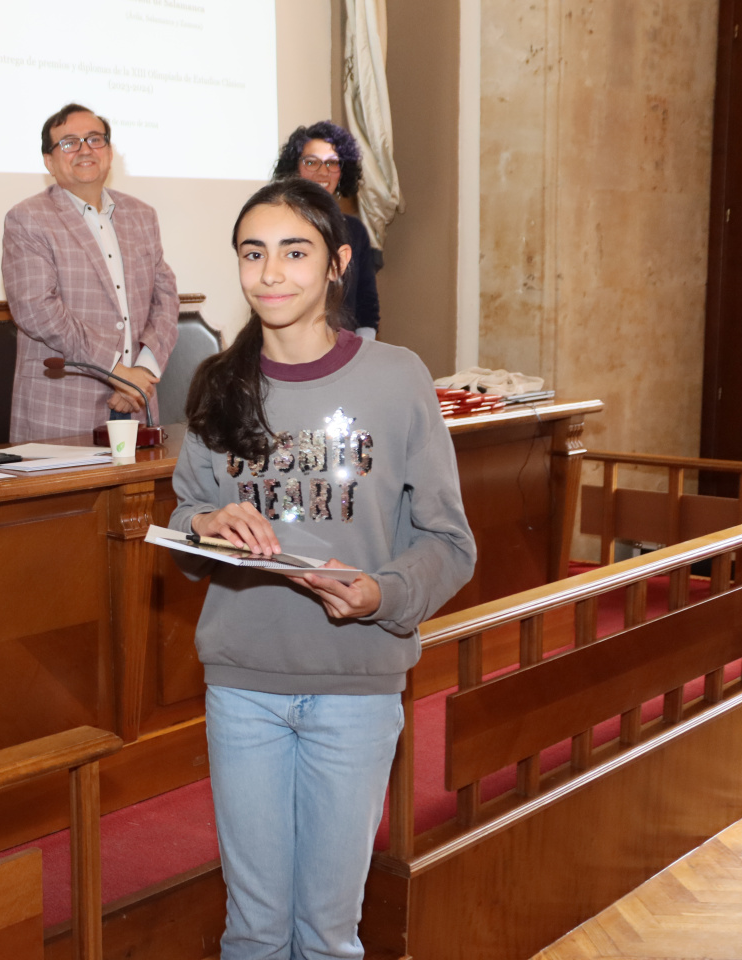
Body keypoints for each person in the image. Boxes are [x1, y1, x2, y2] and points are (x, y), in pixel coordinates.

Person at [170, 179, 474, 960]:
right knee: (256, 930)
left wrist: (383, 593)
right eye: (253, 253)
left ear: (337, 263)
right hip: (244, 686)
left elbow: (450, 542)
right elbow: (183, 521)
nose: (271, 273)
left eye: (294, 252)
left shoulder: (397, 377)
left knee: (330, 935)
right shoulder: (218, 384)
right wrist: (204, 524)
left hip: (356, 685)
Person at [1, 103, 180, 442]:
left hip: (136, 404)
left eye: (95, 139)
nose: (85, 149)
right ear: (49, 161)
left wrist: (142, 371)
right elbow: (38, 311)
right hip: (62, 411)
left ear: (110, 153)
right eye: (69, 142)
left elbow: (166, 299)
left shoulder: (142, 215)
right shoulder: (28, 218)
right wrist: (116, 371)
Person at [273, 120, 382, 338]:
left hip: (346, 349)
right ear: (295, 168)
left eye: (332, 163)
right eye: (311, 162)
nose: (323, 172)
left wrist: (362, 353)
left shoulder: (355, 230)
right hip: (291, 346)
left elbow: (366, 302)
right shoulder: (278, 225)